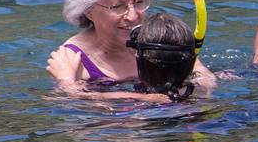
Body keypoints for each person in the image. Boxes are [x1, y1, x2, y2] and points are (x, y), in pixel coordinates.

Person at [46, 0, 213, 90]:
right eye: (118, 6)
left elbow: (204, 80)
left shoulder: (155, 38)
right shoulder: (73, 62)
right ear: (89, 10)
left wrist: (201, 75)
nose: (133, 17)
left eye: (139, 2)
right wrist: (67, 83)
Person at [49, 13, 201, 102]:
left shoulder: (139, 107)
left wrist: (67, 81)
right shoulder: (196, 93)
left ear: (137, 56)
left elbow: (79, 100)